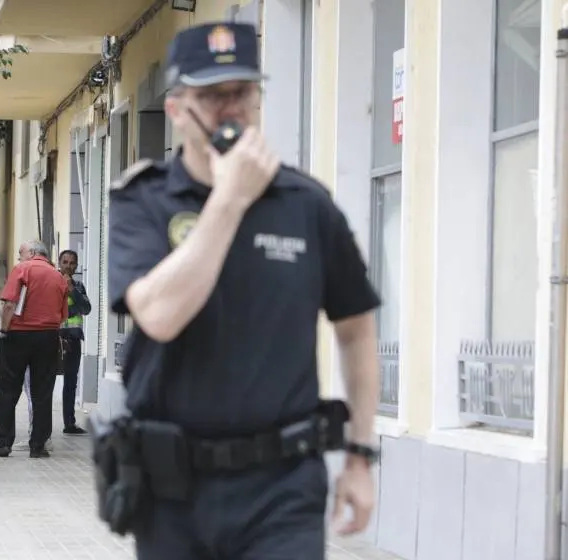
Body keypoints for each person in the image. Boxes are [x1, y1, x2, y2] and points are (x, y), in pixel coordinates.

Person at [104, 22, 382, 559]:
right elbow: (158, 316)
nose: (231, 109)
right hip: (171, 490)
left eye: (243, 93)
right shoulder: (144, 202)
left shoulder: (307, 204)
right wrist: (228, 200)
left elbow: (355, 328)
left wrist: (359, 455)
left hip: (282, 486)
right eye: (213, 95)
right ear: (180, 109)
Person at [0, 240, 68, 458]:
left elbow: (8, 304)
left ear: (33, 252)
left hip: (18, 335)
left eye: (21, 253)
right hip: (48, 337)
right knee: (42, 392)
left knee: (8, 390)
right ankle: (38, 445)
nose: (19, 257)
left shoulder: (23, 270)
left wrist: (4, 331)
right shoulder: (58, 277)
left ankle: (4, 443)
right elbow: (63, 315)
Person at [56, 249, 90, 435]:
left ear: (77, 265)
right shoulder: (51, 282)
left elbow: (86, 308)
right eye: (65, 262)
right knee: (44, 381)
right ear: (59, 263)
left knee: (70, 383)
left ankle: (69, 423)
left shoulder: (78, 286)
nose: (69, 266)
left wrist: (72, 290)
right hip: (54, 337)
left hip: (73, 339)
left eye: (72, 262)